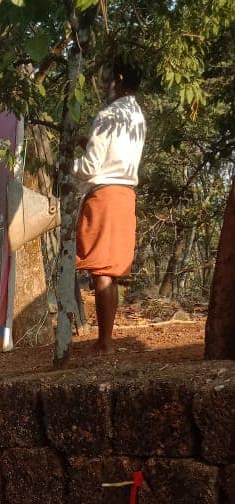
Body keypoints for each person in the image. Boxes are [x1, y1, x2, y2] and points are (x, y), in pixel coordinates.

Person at [74, 61, 146, 351]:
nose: (104, 86)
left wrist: (67, 164)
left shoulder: (108, 114)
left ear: (118, 78)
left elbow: (91, 166)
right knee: (110, 271)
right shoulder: (137, 115)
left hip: (104, 193)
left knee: (101, 270)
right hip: (126, 194)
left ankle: (104, 343)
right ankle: (106, 339)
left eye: (106, 79)